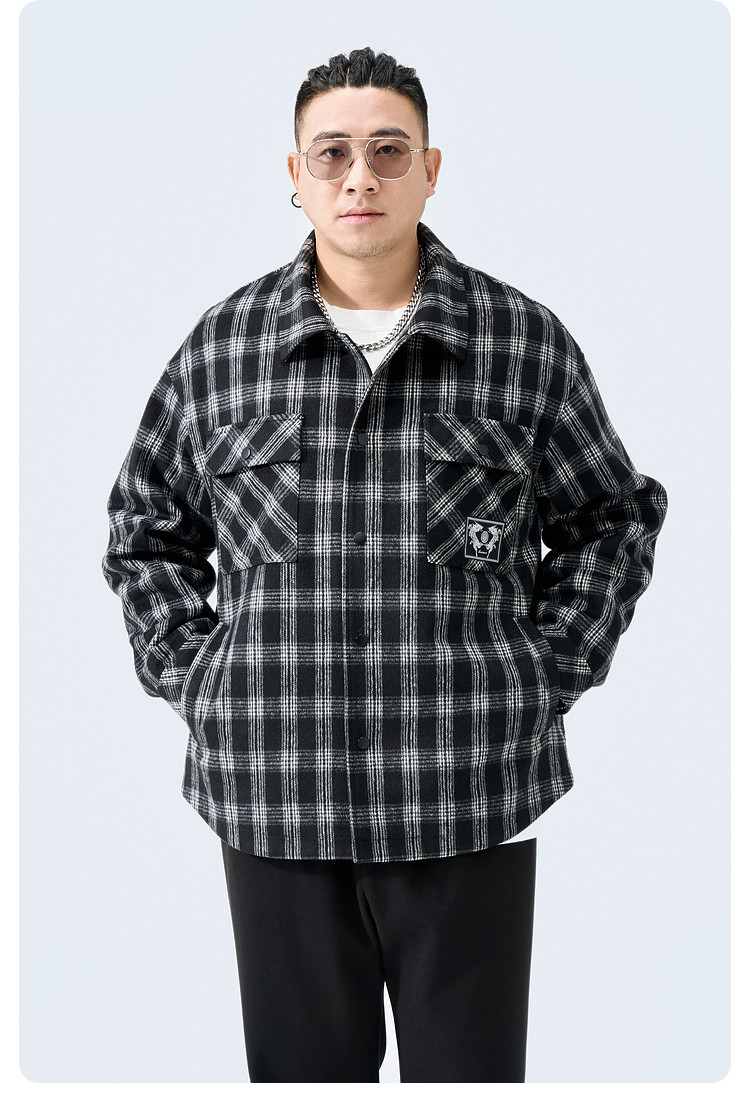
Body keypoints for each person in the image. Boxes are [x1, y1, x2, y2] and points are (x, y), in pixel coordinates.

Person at [101, 47, 668, 1083]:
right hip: (274, 793)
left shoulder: (521, 344)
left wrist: (545, 672)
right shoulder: (222, 351)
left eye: (387, 151)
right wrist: (202, 680)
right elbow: (147, 527)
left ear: (430, 169)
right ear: (296, 173)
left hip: (468, 790)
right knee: (302, 1084)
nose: (359, 176)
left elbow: (612, 519)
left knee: (471, 1084)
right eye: (332, 153)